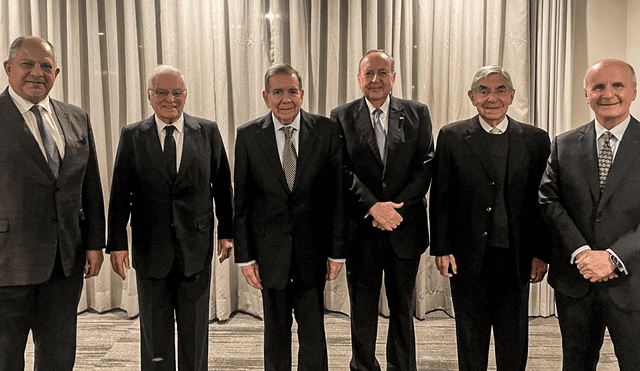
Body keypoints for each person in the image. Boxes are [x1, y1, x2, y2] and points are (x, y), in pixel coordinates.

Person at [107, 65, 233, 371]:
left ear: (185, 95)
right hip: (151, 248)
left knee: (194, 331)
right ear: (149, 97)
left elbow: (222, 185)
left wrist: (227, 232)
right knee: (155, 333)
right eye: (162, 92)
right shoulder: (132, 136)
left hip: (196, 246)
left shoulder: (208, 131)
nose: (170, 99)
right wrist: (117, 243)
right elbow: (120, 193)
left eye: (177, 92)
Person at [430, 65, 551, 371]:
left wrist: (541, 252)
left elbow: (542, 203)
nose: (491, 97)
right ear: (472, 97)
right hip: (468, 255)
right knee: (471, 334)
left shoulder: (536, 140)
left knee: (514, 336)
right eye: (483, 90)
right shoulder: (452, 136)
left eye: (499, 89)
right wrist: (441, 248)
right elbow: (441, 197)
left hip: (517, 257)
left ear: (511, 96)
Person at [0, 36, 105, 371]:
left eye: (46, 66)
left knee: (59, 356)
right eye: (27, 64)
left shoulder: (75, 118)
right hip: (7, 262)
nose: (37, 72)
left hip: (65, 263)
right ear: (8, 68)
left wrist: (94, 243)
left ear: (56, 73)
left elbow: (90, 186)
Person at [234, 63, 346, 371]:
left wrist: (338, 252)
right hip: (270, 255)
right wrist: (245, 258)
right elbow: (241, 202)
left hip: (313, 251)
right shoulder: (247, 136)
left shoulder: (326, 131)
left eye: (292, 91)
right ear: (265, 96)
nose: (286, 99)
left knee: (313, 333)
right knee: (276, 332)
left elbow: (337, 196)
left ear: (302, 94)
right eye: (278, 91)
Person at [330, 50, 434, 371]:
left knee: (402, 308)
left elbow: (426, 164)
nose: (376, 80)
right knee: (362, 309)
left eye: (382, 72)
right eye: (368, 73)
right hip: (361, 230)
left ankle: (401, 366)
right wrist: (374, 207)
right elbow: (340, 170)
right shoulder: (341, 116)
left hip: (405, 226)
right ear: (359, 79)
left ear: (393, 76)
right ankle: (363, 366)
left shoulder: (417, 113)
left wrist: (394, 209)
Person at [539, 59, 640, 370]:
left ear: (633, 91)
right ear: (586, 94)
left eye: (617, 85)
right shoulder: (564, 143)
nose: (607, 93)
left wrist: (612, 257)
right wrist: (583, 253)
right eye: (598, 86)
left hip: (633, 282)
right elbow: (549, 200)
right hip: (576, 281)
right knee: (576, 364)